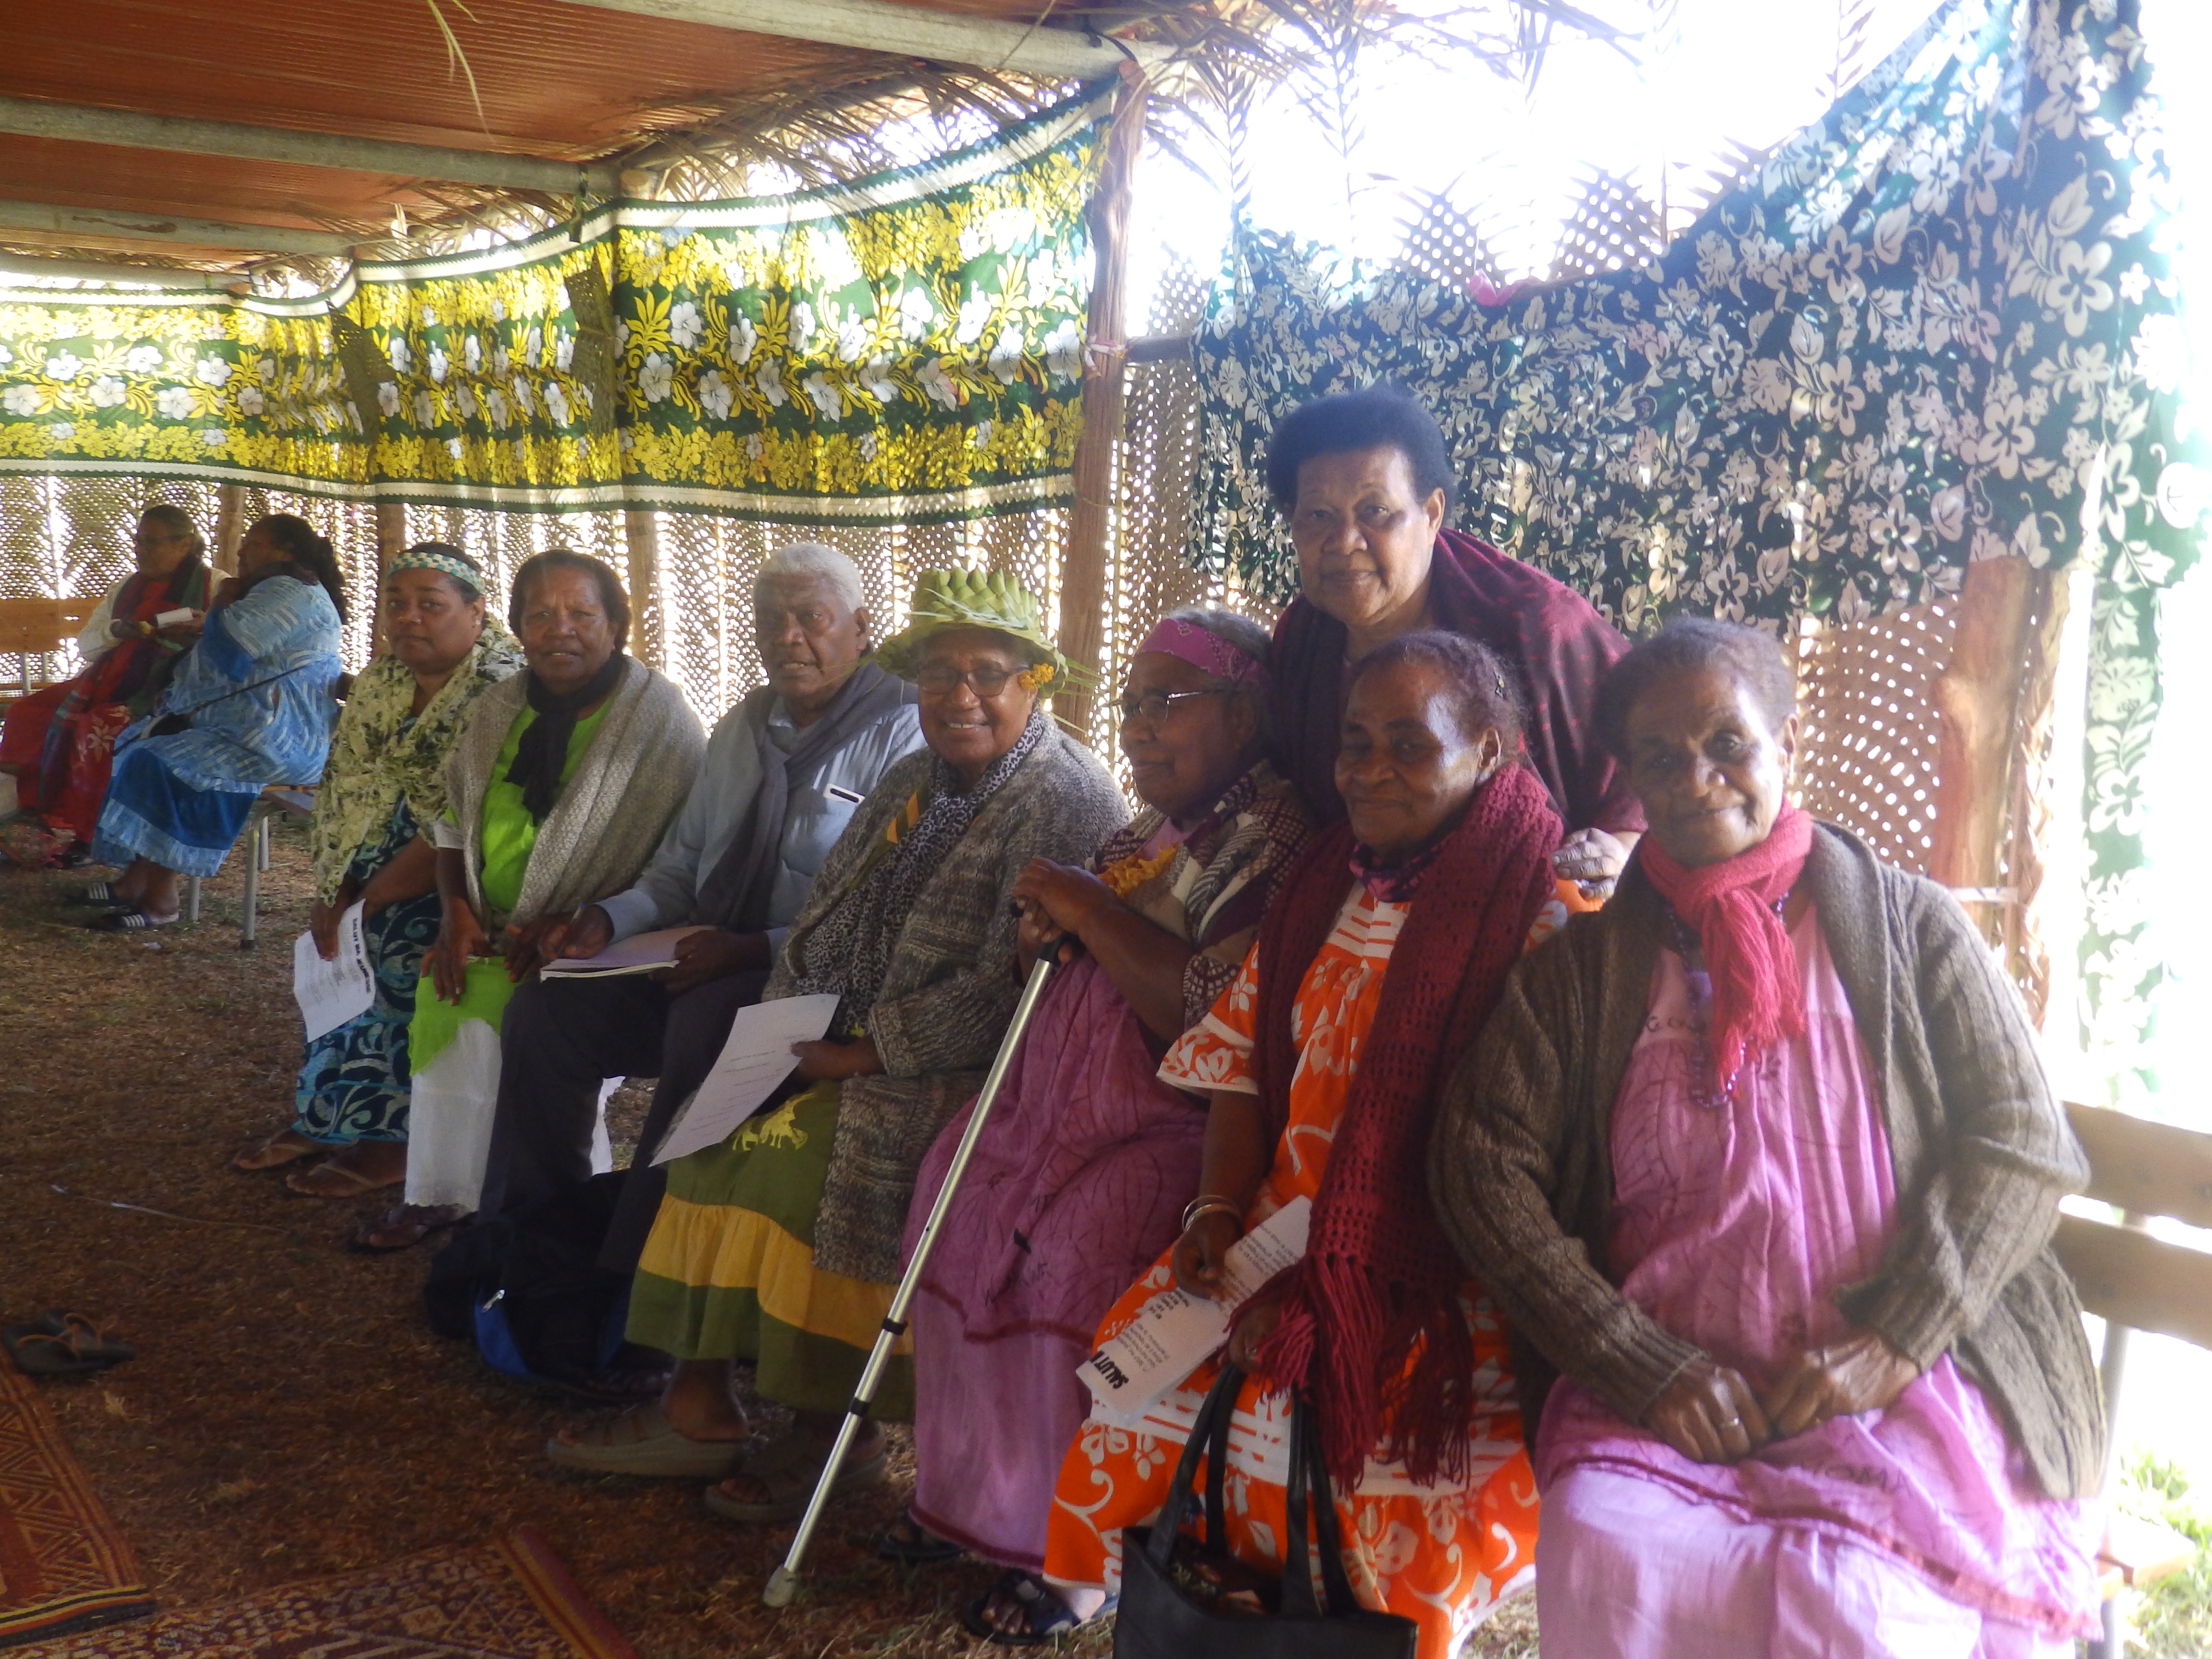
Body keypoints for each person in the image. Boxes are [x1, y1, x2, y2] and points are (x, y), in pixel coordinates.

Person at [1430, 617, 2103, 1656]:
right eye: (1659, 758)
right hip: (1668, 1390)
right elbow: (1477, 1164)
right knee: (1613, 1544)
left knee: (1857, 1603)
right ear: (1631, 782)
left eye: (1726, 744)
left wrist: (1893, 1343)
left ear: (1784, 746)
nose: (1696, 778)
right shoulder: (1581, 975)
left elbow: (2020, 1137)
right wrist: (1631, 1358)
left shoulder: (1909, 929)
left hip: (1900, 1373)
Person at [1038, 633, 1595, 1654]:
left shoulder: (1544, 929)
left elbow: (1515, 1171)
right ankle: (1207, 1617)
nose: (1370, 768)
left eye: (1407, 743)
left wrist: (1327, 1281)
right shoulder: (1320, 893)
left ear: (1489, 750)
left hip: (1429, 1270)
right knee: (1133, 1388)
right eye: (1353, 742)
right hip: (1273, 1230)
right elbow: (1243, 1068)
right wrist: (1214, 1219)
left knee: (1305, 1450)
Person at [549, 568, 1126, 1520]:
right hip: (835, 1040)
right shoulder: (917, 775)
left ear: (1035, 683)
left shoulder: (1060, 799)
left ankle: (836, 1437)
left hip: (970, 1074)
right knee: (698, 1141)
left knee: (798, 1173)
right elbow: (824, 920)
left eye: (988, 673)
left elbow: (1020, 990)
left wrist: (862, 1055)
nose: (960, 696)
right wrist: (784, 1027)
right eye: (939, 674)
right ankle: (697, 1404)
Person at [890, 606, 1312, 1589]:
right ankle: (961, 1499)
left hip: (1172, 1124)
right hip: (1050, 1107)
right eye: (1129, 704)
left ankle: (1072, 1554)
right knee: (951, 1204)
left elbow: (1204, 1014)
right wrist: (1046, 931)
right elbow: (1070, 956)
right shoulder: (1148, 831)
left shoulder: (1277, 840)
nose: (1135, 726)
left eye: (1165, 702)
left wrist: (1083, 906)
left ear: (1243, 717)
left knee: (1073, 1259)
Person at [474, 543, 924, 1261]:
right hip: (705, 956)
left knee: (708, 1024)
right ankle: (533, 1235)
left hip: (816, 983)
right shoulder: (743, 728)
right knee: (545, 1009)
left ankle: (639, 1277)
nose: (788, 637)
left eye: (812, 617)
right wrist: (606, 919)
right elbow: (679, 867)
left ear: (862, 627)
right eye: (770, 620)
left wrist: (750, 950)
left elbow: (883, 909)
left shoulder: (906, 734)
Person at [355, 549, 704, 1253]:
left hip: (594, 946)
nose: (560, 631)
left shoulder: (659, 723)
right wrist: (455, 912)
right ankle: (442, 1195)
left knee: (520, 1025)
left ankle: (528, 1212)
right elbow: (452, 822)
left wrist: (580, 921)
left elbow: (680, 866)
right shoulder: (500, 707)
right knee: (444, 1000)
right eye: (540, 615)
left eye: (581, 613)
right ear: (516, 627)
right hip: (484, 928)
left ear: (617, 625)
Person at [1265, 382, 1642, 894]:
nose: (1345, 542)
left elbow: (1649, 767)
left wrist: (1617, 848)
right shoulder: (1302, 639)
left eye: (1375, 511)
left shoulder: (1535, 625)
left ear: (1432, 514)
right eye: (1318, 516)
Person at [231, 544, 524, 1196]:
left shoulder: (502, 688)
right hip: (375, 853)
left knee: (393, 952)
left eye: (431, 605)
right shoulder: (386, 680)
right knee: (330, 951)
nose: (410, 619)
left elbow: (459, 820)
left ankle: (393, 1137)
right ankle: (327, 1117)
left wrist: (369, 901)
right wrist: (334, 889)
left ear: (476, 613)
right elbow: (344, 788)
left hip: (467, 871)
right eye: (397, 603)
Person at [78, 513, 347, 932]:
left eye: (253, 545)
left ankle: (162, 899)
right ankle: (135, 880)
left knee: (168, 765)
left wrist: (221, 600)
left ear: (285, 551)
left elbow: (232, 648)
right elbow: (230, 645)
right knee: (136, 744)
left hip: (281, 739)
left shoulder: (291, 592)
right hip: (246, 727)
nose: (241, 551)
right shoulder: (270, 588)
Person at [0, 503, 210, 868]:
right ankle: (31, 815)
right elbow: (87, 644)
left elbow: (226, 640)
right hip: (105, 680)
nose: (142, 549)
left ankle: (91, 835)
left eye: (153, 542)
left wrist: (199, 626)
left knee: (96, 727)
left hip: (166, 693)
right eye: (139, 541)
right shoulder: (127, 588)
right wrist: (117, 630)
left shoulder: (216, 585)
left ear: (184, 543)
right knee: (27, 712)